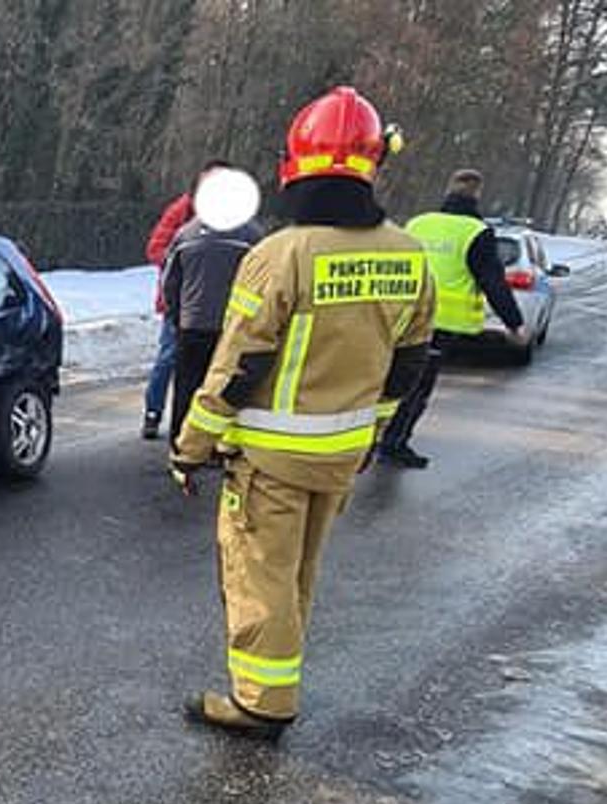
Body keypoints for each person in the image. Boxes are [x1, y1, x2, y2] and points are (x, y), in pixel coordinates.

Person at [171, 87, 434, 737]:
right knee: (298, 577)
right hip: (341, 456)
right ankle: (275, 682)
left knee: (261, 578)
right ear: (373, 164)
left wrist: (191, 445)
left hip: (271, 459)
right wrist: (374, 429)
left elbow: (239, 365)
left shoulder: (281, 255)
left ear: (295, 163)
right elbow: (409, 360)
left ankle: (261, 703)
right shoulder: (407, 254)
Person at [378, 170, 529, 469]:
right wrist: (515, 324)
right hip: (440, 322)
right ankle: (393, 443)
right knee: (417, 388)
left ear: (448, 191)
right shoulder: (476, 232)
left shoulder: (418, 223)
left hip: (399, 314)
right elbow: (492, 281)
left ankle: (378, 438)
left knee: (390, 378)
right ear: (477, 195)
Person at [141, 160, 233, 440]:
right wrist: (186, 263)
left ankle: (198, 425)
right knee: (169, 359)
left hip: (214, 303)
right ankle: (153, 413)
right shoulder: (182, 211)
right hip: (181, 301)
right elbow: (156, 248)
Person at [162, 199, 263, 443]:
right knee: (224, 389)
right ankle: (219, 444)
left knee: (187, 387)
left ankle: (181, 440)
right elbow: (264, 279)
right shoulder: (250, 235)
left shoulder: (186, 234)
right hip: (231, 328)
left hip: (192, 325)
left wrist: (178, 316)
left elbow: (169, 282)